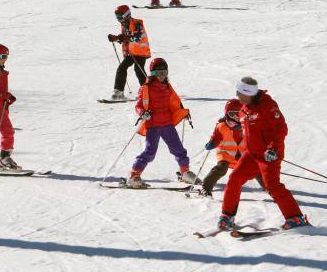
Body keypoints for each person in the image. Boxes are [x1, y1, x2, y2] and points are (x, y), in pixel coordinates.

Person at [217, 77, 310, 230]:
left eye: (240, 93)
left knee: (272, 185)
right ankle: (227, 216)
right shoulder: (244, 107)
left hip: (269, 155)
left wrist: (272, 148)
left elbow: (281, 129)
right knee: (234, 178)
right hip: (252, 154)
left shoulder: (268, 106)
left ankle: (295, 218)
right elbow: (243, 123)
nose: (238, 96)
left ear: (249, 94)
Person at [127, 58, 194, 187]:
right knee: (150, 152)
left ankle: (185, 173)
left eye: (165, 73)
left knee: (179, 149)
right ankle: (134, 175)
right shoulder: (145, 88)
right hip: (153, 125)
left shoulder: (168, 87)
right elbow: (138, 105)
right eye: (159, 73)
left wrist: (182, 112)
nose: (162, 76)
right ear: (152, 74)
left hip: (167, 124)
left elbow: (175, 103)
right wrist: (142, 113)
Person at [198, 99, 265, 197]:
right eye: (233, 114)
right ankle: (205, 188)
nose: (236, 117)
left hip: (244, 156)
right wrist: (212, 143)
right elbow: (216, 138)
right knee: (221, 168)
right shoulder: (221, 126)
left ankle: (271, 189)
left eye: (238, 114)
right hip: (226, 154)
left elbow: (255, 139)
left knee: (256, 170)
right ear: (227, 114)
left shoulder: (247, 125)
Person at [107, 5, 150, 101]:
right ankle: (118, 92)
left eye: (120, 17)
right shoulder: (124, 25)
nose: (119, 19)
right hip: (131, 53)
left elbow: (137, 36)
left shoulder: (137, 23)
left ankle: (148, 91)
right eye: (117, 17)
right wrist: (116, 38)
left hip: (140, 51)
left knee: (138, 70)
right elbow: (125, 39)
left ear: (126, 15)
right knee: (121, 68)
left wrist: (124, 37)